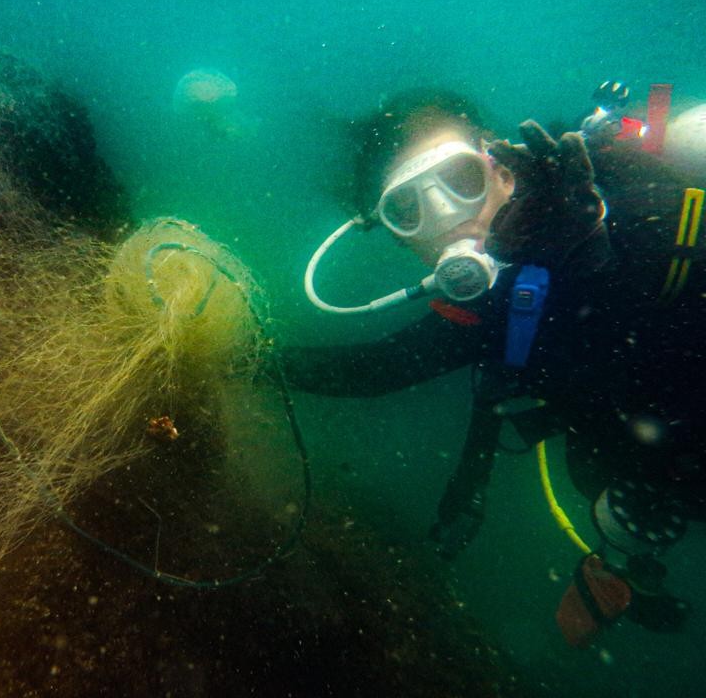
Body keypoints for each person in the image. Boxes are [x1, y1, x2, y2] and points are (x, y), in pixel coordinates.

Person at [284, 87, 706, 644]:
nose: (446, 218)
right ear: (399, 240)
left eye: (461, 181)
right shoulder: (481, 310)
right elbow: (373, 370)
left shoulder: (624, 202)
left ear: (502, 169)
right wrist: (237, 356)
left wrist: (609, 253)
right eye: (407, 209)